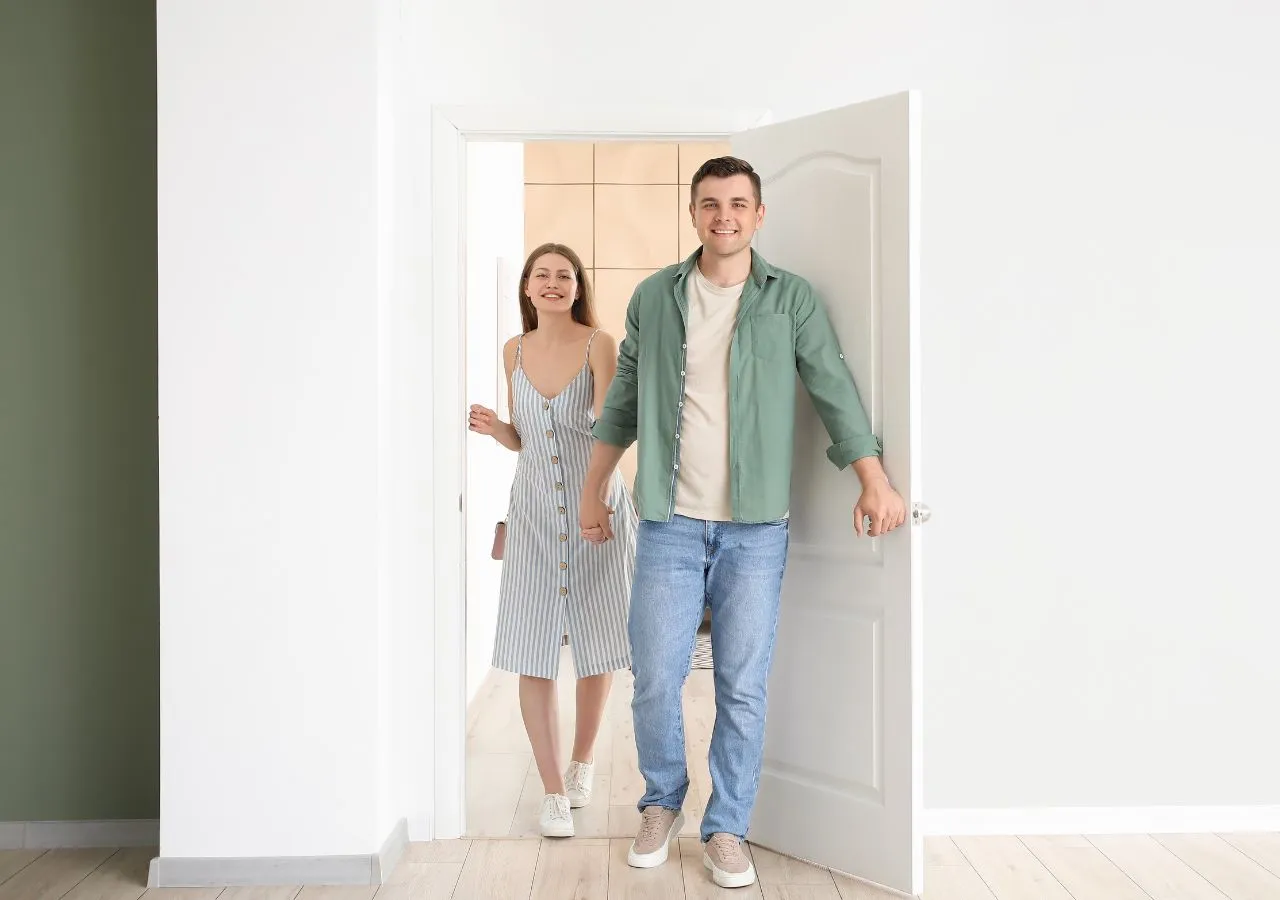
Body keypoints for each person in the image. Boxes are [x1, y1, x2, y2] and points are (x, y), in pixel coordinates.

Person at [578, 158, 907, 888]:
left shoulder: (790, 299)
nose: (722, 215)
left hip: (756, 530)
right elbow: (625, 396)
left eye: (736, 204)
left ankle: (726, 827)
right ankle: (662, 801)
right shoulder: (655, 297)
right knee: (654, 678)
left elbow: (832, 386)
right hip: (667, 521)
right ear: (693, 213)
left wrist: (873, 478)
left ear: (759, 215)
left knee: (742, 687)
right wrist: (593, 486)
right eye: (709, 204)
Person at [468, 242, 638, 838]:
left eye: (564, 275)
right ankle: (552, 791)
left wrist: (596, 499)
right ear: (526, 287)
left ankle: (583, 761)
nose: (553, 283)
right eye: (541, 274)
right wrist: (498, 430)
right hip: (534, 515)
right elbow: (526, 438)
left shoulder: (599, 345)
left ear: (577, 287)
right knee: (530, 643)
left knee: (597, 636)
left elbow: (610, 428)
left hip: (597, 507)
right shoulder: (513, 350)